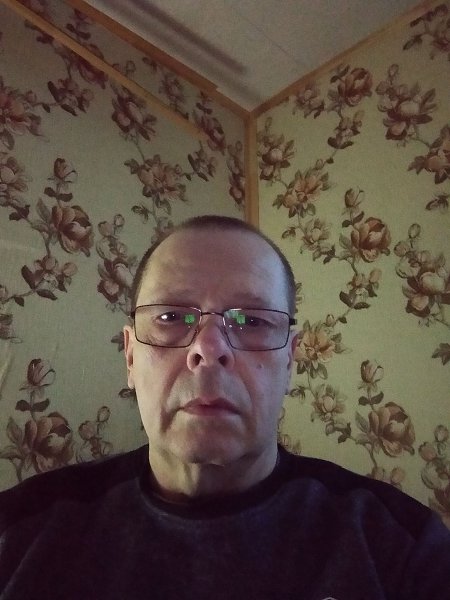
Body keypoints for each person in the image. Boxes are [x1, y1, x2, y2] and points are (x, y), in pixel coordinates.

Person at [0, 214, 449, 600]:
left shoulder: (404, 548)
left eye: (251, 321)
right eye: (171, 317)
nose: (209, 349)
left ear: (290, 361)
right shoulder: (17, 531)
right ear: (131, 357)